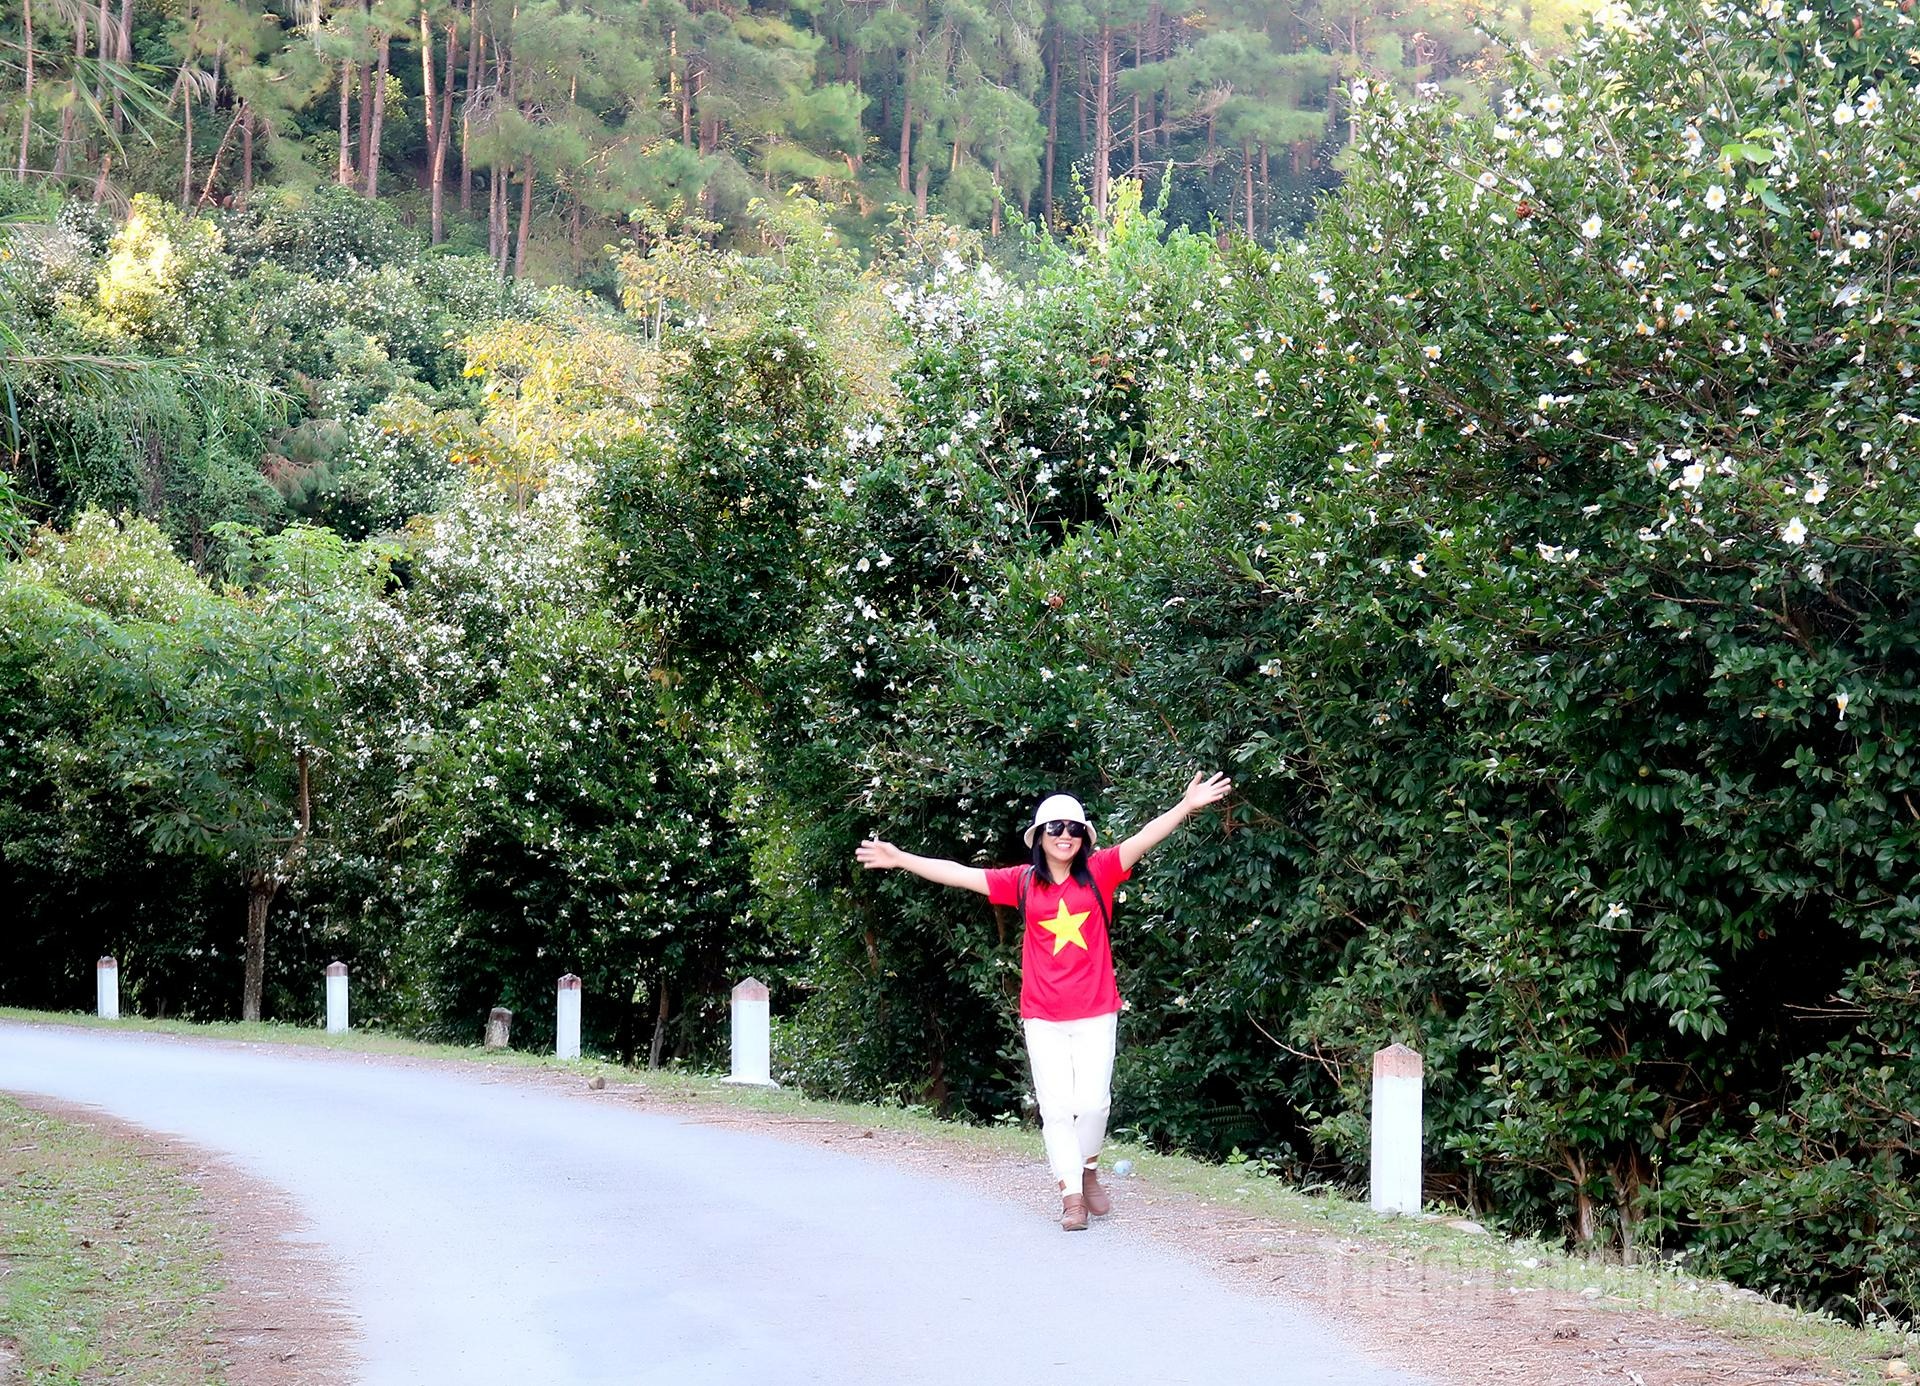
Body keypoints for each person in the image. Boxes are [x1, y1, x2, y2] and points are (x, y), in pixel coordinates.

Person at [855, 772, 1233, 1231]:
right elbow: (959, 874)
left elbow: (1143, 837)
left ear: (1084, 837)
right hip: (1043, 1015)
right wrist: (901, 859)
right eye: (1055, 828)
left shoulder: (1101, 872)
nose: (1065, 836)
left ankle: (1088, 1168)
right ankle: (1071, 1197)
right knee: (1056, 1109)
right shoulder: (1021, 882)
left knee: (1093, 1105)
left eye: (1073, 829)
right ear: (1040, 836)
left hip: (1096, 1011)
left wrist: (1185, 805)